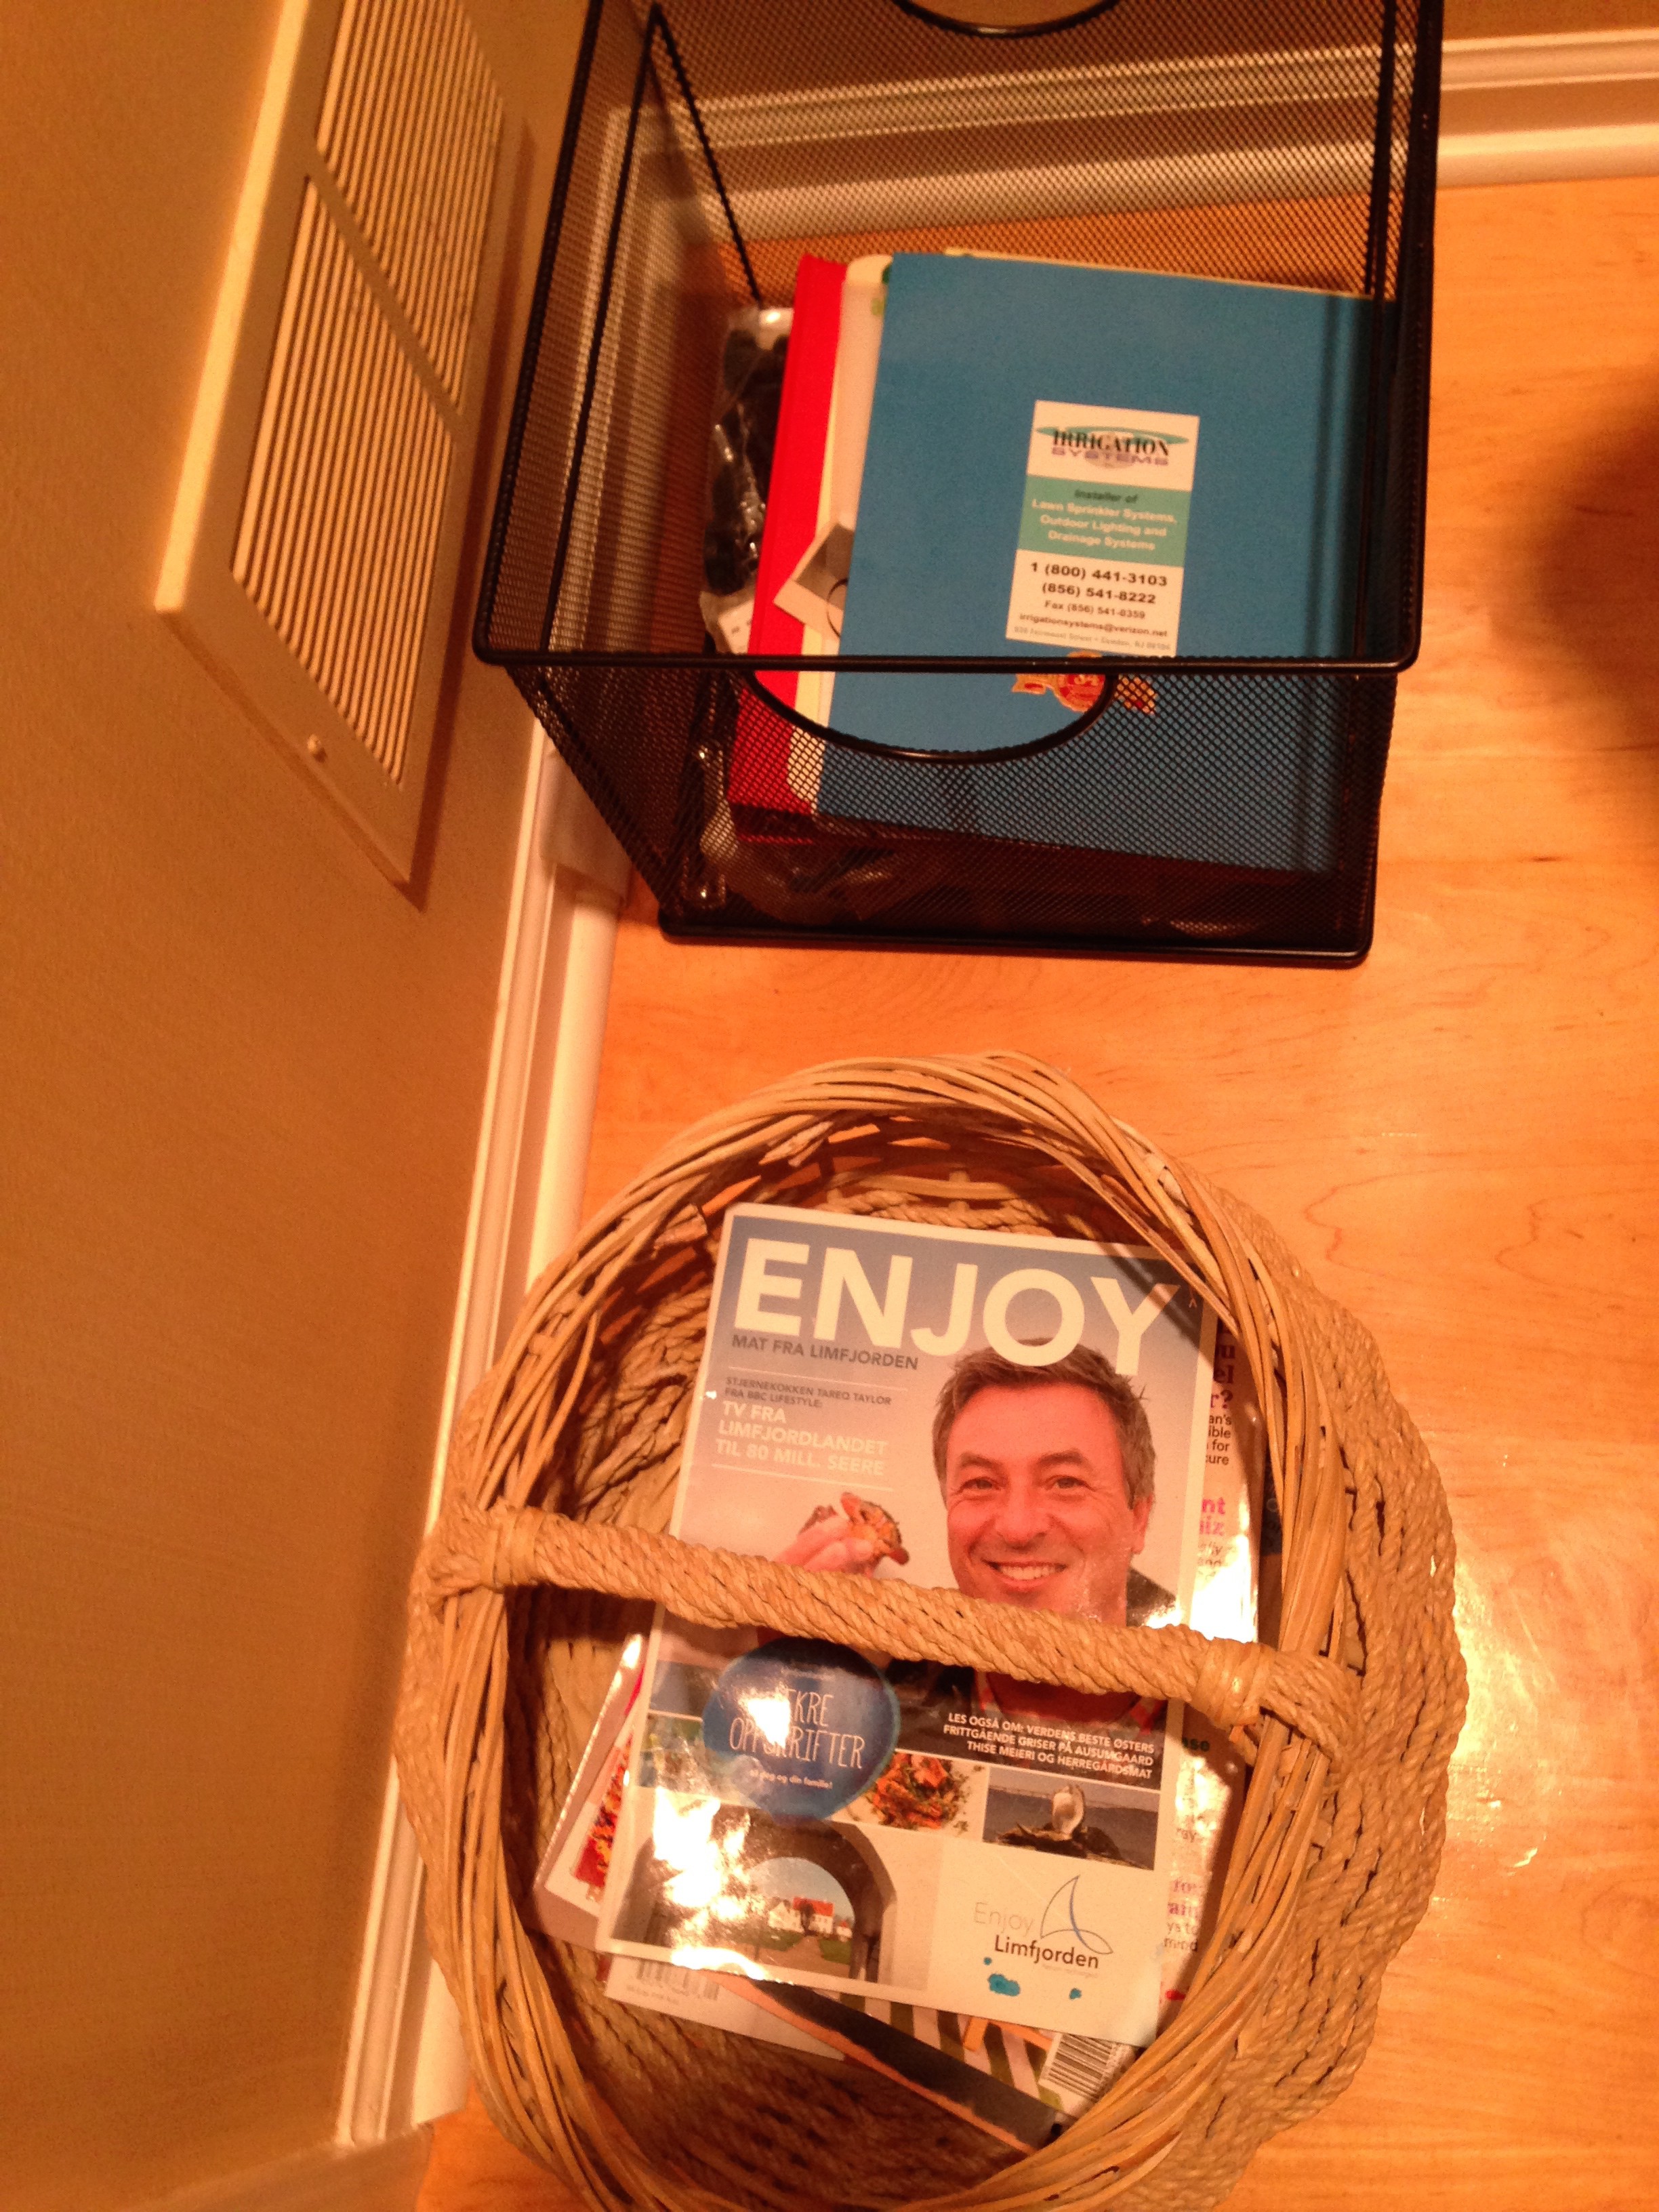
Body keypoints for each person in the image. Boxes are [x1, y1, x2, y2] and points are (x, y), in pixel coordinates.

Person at [777, 1343, 1174, 1741]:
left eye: (1066, 1482)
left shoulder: (1201, 1698)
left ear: (1138, 1518)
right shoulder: (878, 1707)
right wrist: (784, 1679)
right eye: (981, 1483)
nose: (1018, 1528)